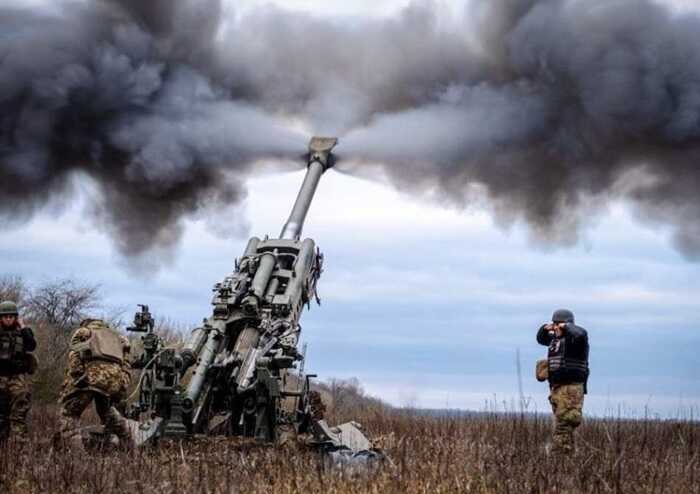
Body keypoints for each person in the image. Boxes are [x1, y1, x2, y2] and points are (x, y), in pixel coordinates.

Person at [58, 318, 132, 448]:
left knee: (70, 414)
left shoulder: (85, 332)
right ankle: (130, 445)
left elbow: (74, 354)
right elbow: (126, 363)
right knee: (107, 411)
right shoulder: (118, 338)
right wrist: (122, 384)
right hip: (113, 382)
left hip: (91, 378)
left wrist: (78, 377)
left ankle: (77, 459)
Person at [537, 308, 589, 454]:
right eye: (555, 325)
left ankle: (560, 460)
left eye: (558, 324)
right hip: (557, 389)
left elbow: (581, 333)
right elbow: (540, 338)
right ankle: (568, 459)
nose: (556, 328)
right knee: (561, 425)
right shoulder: (556, 341)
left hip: (571, 389)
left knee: (564, 425)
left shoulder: (577, 341)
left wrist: (565, 326)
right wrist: (545, 328)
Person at [0, 300, 37, 444]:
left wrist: (24, 327)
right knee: (1, 413)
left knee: (19, 413)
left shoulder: (23, 333)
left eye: (11, 316)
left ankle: (19, 447)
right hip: (1, 377)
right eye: (5, 316)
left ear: (16, 318)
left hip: (17, 377)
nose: (8, 319)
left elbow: (31, 346)